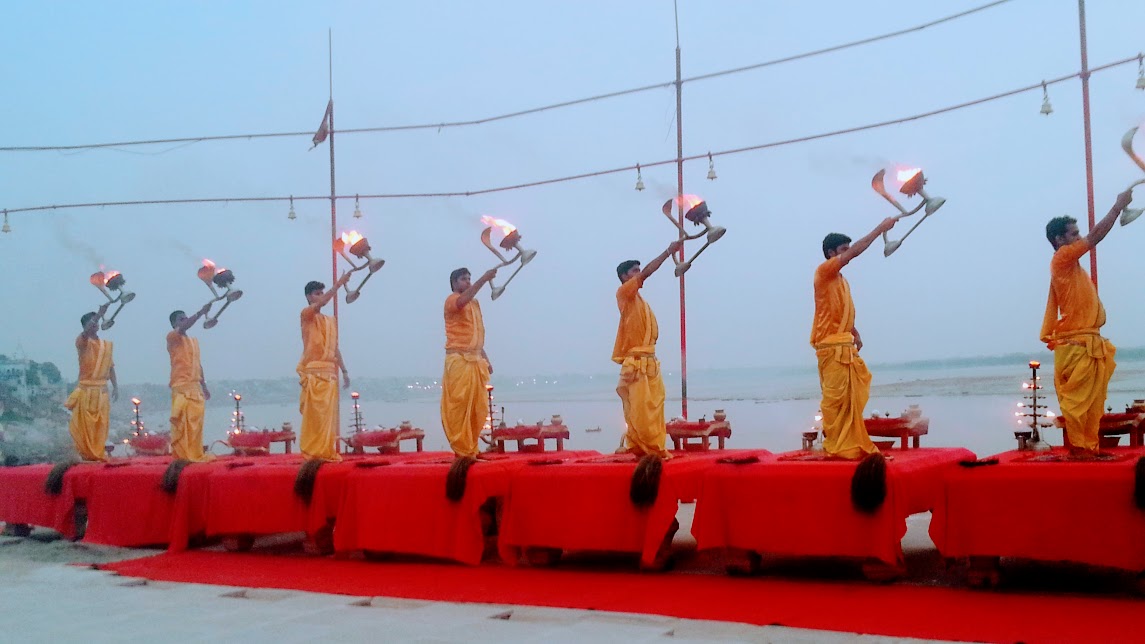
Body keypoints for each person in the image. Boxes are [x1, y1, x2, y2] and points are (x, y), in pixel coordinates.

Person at [1040, 190, 1133, 455]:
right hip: (1076, 345)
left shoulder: (1074, 267)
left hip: (1088, 342)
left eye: (1077, 233)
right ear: (1059, 240)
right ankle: (1080, 449)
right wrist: (1117, 207)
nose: (1079, 237)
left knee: (1093, 403)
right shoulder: (1061, 259)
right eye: (1073, 234)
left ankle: (1089, 448)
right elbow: (1095, 237)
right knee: (1078, 402)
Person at [811, 218, 896, 459]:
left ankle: (850, 445)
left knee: (854, 396)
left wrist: (854, 332)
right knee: (834, 399)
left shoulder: (841, 281)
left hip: (844, 345)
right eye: (843, 251)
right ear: (831, 253)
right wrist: (879, 230)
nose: (847, 255)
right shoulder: (824, 271)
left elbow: (838, 310)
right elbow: (856, 252)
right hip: (830, 347)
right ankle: (836, 445)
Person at [613, 240, 682, 460]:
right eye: (635, 271)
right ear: (625, 276)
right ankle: (643, 450)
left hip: (650, 361)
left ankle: (654, 449)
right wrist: (668, 252)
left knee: (656, 406)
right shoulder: (625, 293)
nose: (639, 273)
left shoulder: (641, 302)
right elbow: (648, 273)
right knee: (641, 410)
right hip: (636, 362)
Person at [440, 267, 498, 459]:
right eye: (464, 279)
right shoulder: (452, 300)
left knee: (478, 407)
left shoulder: (475, 303)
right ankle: (461, 450)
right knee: (459, 406)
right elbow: (461, 301)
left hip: (475, 360)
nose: (468, 282)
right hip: (459, 360)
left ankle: (471, 447)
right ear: (455, 283)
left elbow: (476, 336)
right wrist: (484, 279)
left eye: (469, 278)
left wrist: (486, 359)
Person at [298, 275, 351, 461]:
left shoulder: (329, 321)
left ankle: (325, 450)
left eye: (322, 292)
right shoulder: (307, 314)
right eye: (317, 294)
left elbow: (334, 348)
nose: (320, 296)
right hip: (315, 373)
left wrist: (344, 371)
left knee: (329, 418)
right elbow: (322, 304)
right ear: (309, 297)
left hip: (330, 373)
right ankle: (313, 451)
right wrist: (339, 284)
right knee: (316, 417)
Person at [65, 303, 118, 461]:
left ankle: (98, 454)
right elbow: (86, 332)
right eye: (92, 322)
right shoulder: (82, 342)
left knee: (101, 425)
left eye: (96, 321)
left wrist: (115, 386)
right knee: (86, 426)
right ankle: (89, 456)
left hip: (102, 390)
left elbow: (110, 367)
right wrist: (99, 314)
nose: (95, 324)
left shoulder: (105, 345)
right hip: (87, 390)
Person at [167, 304, 213, 461]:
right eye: (181, 319)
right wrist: (201, 313)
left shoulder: (193, 341)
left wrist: (204, 386)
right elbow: (185, 326)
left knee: (196, 423)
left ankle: (195, 453)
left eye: (186, 317)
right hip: (181, 386)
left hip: (195, 387)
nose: (185, 320)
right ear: (174, 324)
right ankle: (183, 455)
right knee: (183, 424)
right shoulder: (172, 337)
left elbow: (198, 365)